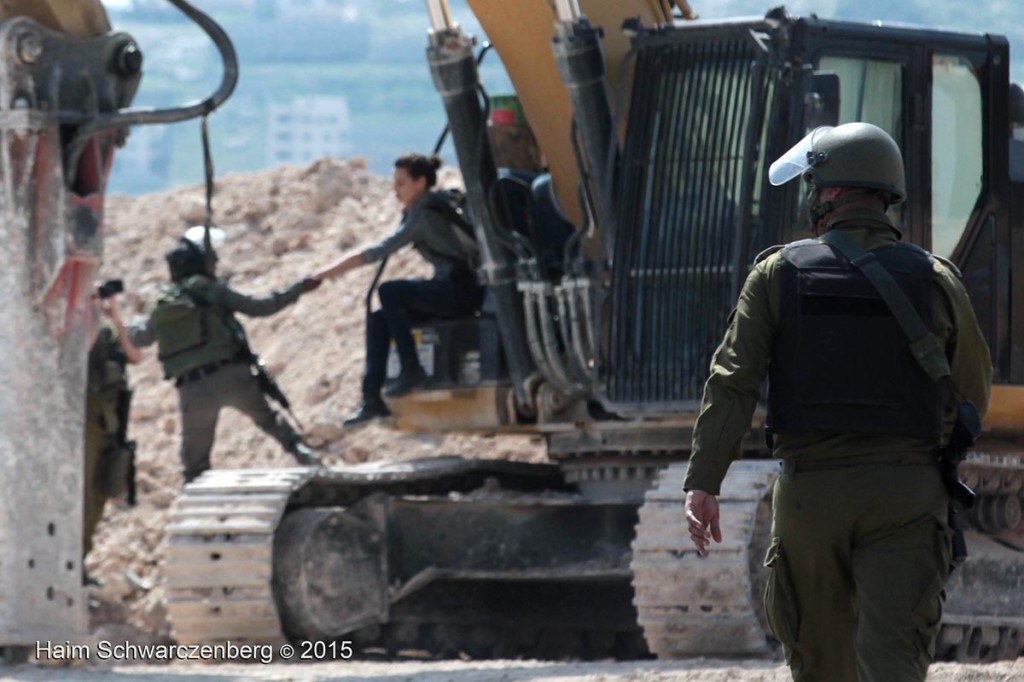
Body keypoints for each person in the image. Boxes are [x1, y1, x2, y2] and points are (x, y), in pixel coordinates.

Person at [682, 122, 992, 682]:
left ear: (827, 193)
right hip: (906, 493)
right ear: (885, 195)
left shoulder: (777, 274)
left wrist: (704, 480)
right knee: (894, 663)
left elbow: (733, 381)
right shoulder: (936, 278)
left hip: (811, 498)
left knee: (819, 664)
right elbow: (972, 394)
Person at [128, 226, 323, 483]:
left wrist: (121, 323)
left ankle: (194, 505)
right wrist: (297, 288)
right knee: (269, 420)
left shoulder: (163, 304)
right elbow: (262, 307)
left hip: (192, 388)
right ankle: (304, 454)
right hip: (232, 375)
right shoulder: (213, 290)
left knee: (194, 462)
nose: (216, 263)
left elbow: (140, 337)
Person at [311, 153, 485, 427]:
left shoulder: (424, 214)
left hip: (461, 290)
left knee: (390, 292)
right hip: (453, 288)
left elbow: (379, 250)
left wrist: (327, 272)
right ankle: (371, 398)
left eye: (401, 183)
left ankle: (411, 368)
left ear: (420, 183)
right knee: (380, 319)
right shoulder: (424, 208)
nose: (395, 190)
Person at [83, 280, 142, 585]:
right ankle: (72, 566)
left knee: (101, 493)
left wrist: (115, 317)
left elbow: (135, 356)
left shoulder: (106, 332)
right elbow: (84, 348)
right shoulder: (75, 332)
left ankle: (81, 561)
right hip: (85, 427)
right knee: (83, 499)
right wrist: (89, 312)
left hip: (108, 423)